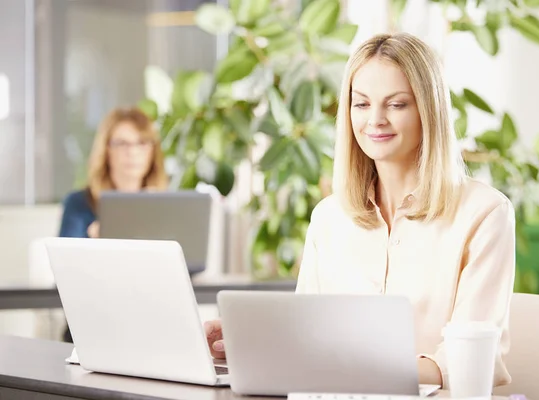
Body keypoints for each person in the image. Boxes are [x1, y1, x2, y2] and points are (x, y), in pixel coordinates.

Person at [204, 32, 515, 389]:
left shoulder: (485, 213)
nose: (375, 120)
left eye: (396, 104)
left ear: (429, 111)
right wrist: (260, 340)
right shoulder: (329, 217)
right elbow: (309, 334)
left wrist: (356, 366)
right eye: (361, 104)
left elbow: (474, 360)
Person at [58, 106, 168, 341]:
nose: (133, 153)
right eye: (122, 144)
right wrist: (95, 243)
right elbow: (66, 273)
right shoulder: (79, 203)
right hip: (92, 324)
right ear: (106, 149)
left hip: (149, 323)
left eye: (142, 143)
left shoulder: (164, 205)